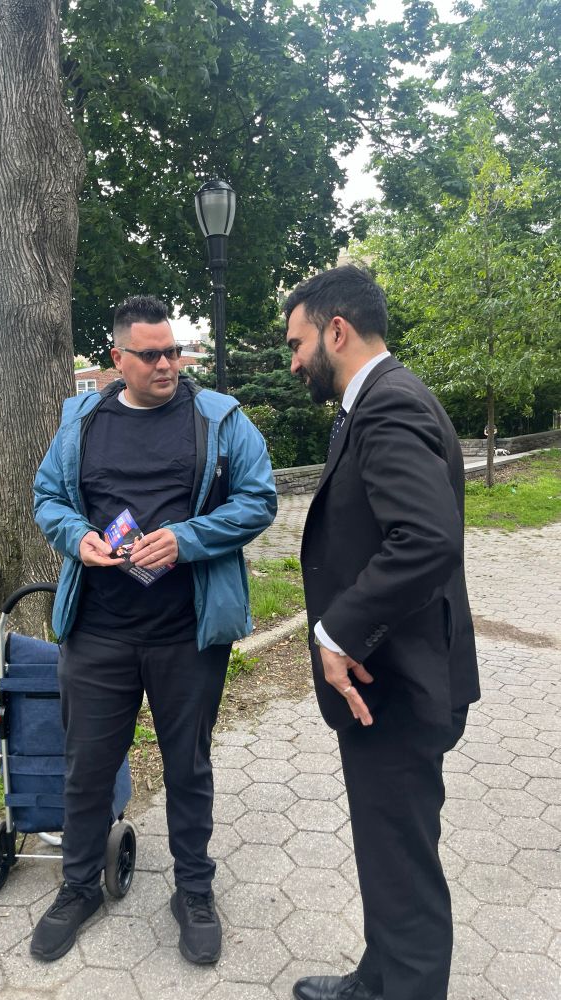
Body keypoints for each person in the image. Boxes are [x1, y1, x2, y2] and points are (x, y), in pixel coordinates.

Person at [32, 294, 277, 964]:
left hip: (185, 632)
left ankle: (193, 890)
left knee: (188, 768)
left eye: (173, 351)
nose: (167, 364)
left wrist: (186, 539)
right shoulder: (81, 419)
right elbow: (47, 497)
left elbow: (260, 499)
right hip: (97, 631)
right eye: (150, 355)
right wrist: (77, 535)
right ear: (118, 358)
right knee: (87, 768)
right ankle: (79, 886)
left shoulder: (219, 418)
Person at [284, 266, 480, 1000]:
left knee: (402, 860)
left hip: (394, 683)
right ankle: (380, 978)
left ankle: (405, 986)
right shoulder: (377, 400)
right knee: (390, 852)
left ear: (336, 330)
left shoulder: (389, 404)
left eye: (298, 343)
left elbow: (427, 539)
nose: (294, 362)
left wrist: (338, 631)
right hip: (390, 678)